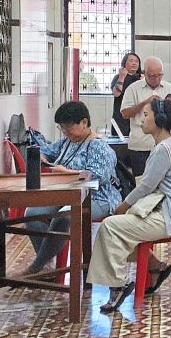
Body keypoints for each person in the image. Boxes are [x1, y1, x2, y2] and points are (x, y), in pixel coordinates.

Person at [88, 99, 171, 313]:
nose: (141, 120)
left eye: (146, 115)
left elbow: (146, 186)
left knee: (111, 227)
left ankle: (118, 286)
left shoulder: (163, 150)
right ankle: (154, 267)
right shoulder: (169, 144)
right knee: (118, 228)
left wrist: (123, 206)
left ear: (160, 119)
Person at [23, 101, 121, 274]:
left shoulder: (98, 146)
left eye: (68, 127)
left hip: (98, 198)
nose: (65, 131)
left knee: (65, 217)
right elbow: (46, 150)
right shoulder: (67, 142)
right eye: (62, 128)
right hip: (66, 194)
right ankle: (46, 266)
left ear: (84, 122)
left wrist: (67, 172)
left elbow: (99, 177)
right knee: (32, 214)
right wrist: (42, 157)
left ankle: (37, 267)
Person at [120, 56, 171, 176]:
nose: (156, 78)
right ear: (144, 73)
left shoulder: (169, 88)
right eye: (152, 75)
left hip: (165, 146)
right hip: (141, 146)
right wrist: (144, 103)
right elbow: (125, 113)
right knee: (143, 183)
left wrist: (169, 110)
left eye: (160, 75)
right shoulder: (133, 89)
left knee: (165, 184)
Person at [110, 51, 141, 135]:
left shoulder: (141, 79)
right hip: (121, 117)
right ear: (124, 63)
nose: (134, 63)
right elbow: (116, 94)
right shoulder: (118, 77)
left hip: (138, 116)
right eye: (131, 61)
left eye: (136, 61)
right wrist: (122, 77)